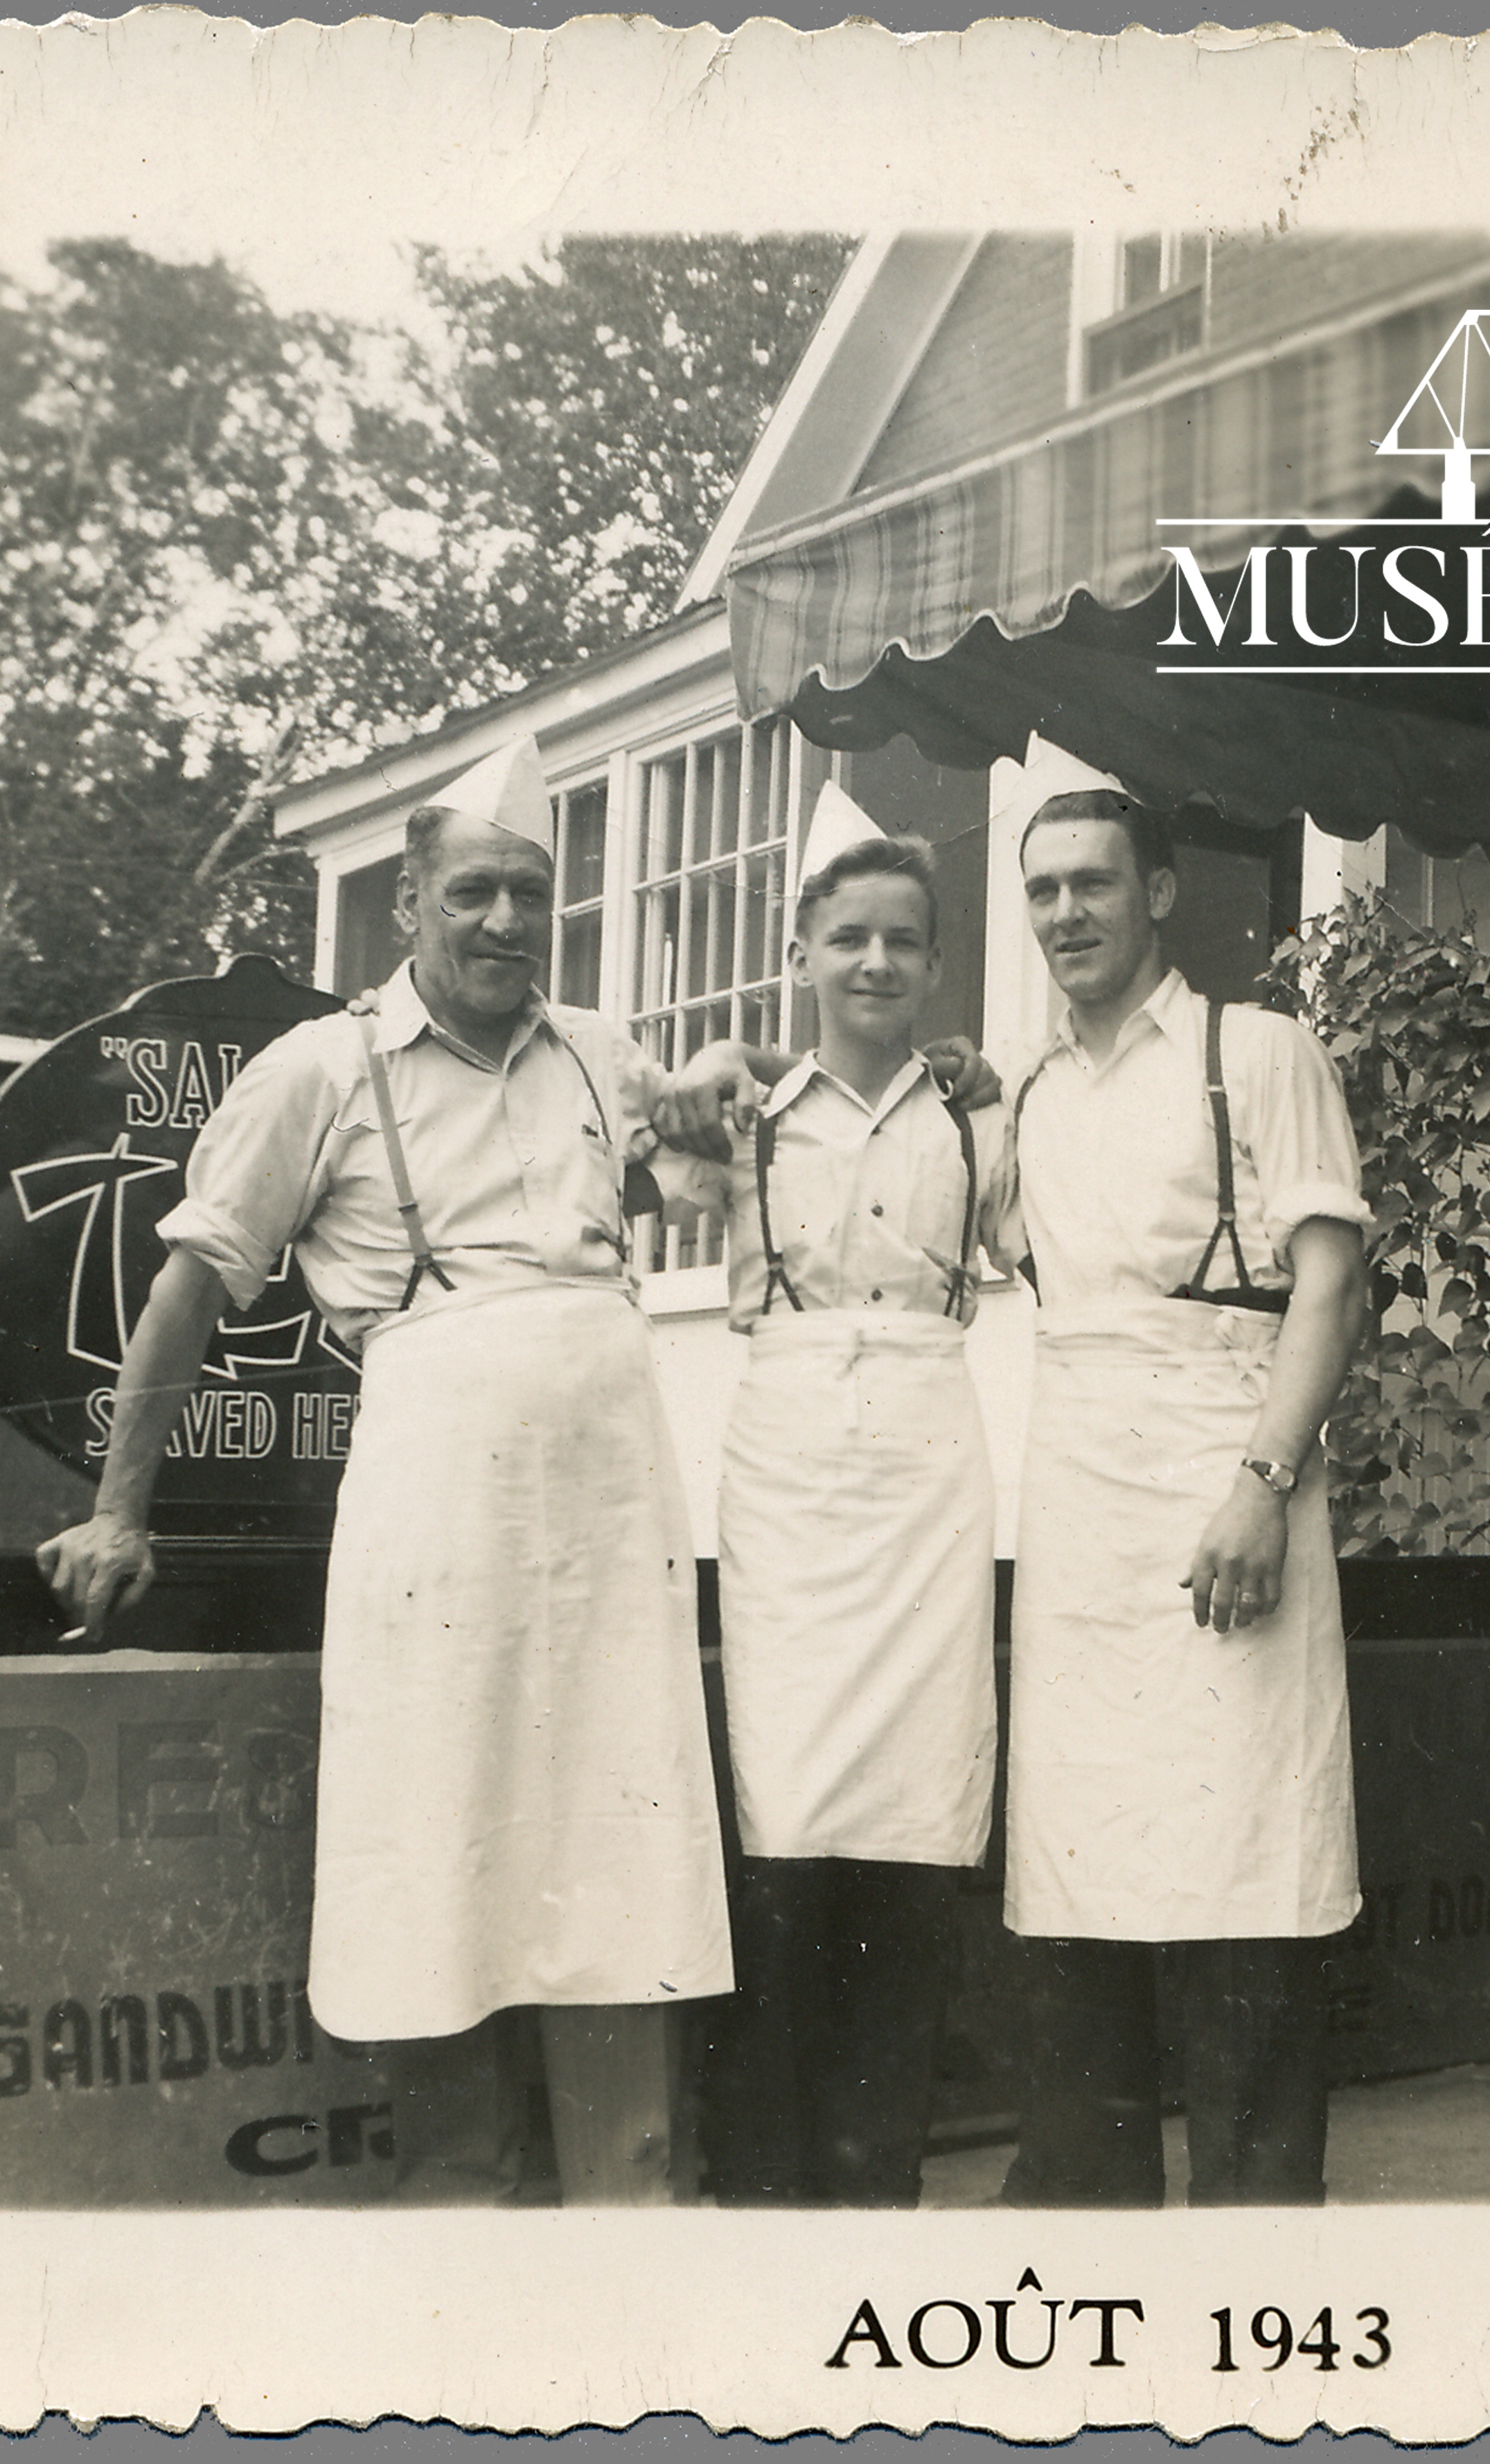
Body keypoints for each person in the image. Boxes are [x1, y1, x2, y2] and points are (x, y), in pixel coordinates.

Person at [39, 734, 754, 2206]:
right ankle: (464, 2281)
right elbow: (185, 1294)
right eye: (474, 892)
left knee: (621, 1860)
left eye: (529, 897)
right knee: (440, 1862)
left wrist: (723, 1087)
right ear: (407, 906)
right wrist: (118, 1510)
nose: (504, 923)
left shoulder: (603, 1055)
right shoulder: (320, 1068)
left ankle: (636, 2244)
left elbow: (722, 1171)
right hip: (436, 1522)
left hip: (614, 1517)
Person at [988, 735, 1374, 2207]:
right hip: (1080, 1513)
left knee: (1243, 1881)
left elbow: (1326, 1290)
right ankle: (1089, 2250)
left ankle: (1252, 2271)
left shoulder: (1254, 1050)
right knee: (1082, 1883)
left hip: (1229, 1490)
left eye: (1091, 881)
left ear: (1157, 888)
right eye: (1039, 891)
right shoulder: (1030, 1097)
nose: (1064, 912)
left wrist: (1259, 1483)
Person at [663, 792, 1009, 2207]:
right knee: (782, 1824)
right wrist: (701, 1061)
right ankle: (763, 2192)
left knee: (918, 1831)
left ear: (934, 966)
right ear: (799, 948)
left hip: (928, 1467)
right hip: (790, 1473)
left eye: (904, 942)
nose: (876, 961)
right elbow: (610, 1150)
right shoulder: (736, 1117)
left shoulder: (985, 1121)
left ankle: (876, 2189)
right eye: (847, 936)